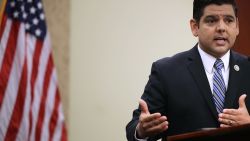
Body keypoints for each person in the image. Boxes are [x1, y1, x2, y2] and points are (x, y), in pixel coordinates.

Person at [126, 0, 250, 140]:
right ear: (195, 27)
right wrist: (141, 130)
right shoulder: (166, 71)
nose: (221, 27)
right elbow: (134, 129)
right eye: (211, 21)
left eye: (228, 20)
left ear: (237, 26)